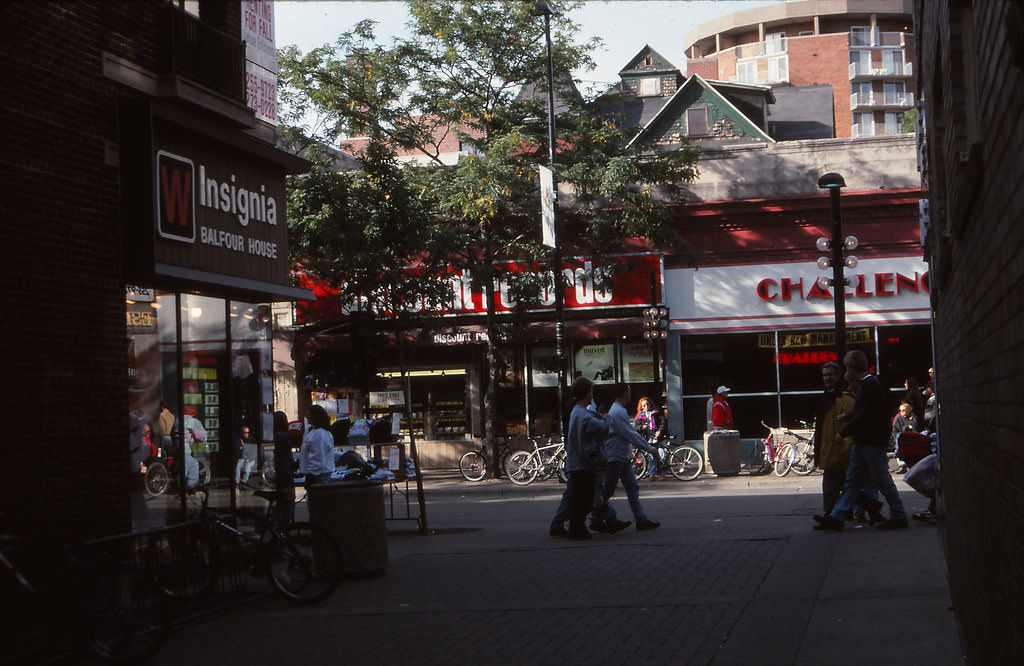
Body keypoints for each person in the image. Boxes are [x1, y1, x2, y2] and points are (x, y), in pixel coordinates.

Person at [814, 350, 909, 531]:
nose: (846, 370)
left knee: (880, 478)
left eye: (847, 367)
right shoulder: (867, 384)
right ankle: (837, 516)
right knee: (853, 480)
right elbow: (866, 412)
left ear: (852, 367)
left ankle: (899, 514)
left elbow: (865, 415)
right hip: (865, 440)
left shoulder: (869, 385)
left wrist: (844, 431)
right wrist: (850, 417)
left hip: (870, 441)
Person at [592, 384, 660, 532]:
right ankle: (596, 517)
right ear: (624, 393)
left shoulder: (617, 410)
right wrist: (649, 448)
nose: (630, 395)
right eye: (629, 392)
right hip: (615, 457)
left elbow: (629, 434)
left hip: (621, 456)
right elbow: (630, 434)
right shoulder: (618, 412)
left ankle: (641, 519)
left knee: (631, 487)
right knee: (608, 490)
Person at [559, 376, 610, 540]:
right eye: (591, 391)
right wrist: (607, 418)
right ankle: (576, 527)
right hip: (583, 463)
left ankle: (574, 526)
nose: (592, 394)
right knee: (584, 498)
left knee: (579, 496)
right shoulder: (582, 414)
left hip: (578, 462)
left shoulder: (577, 412)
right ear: (587, 393)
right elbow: (599, 427)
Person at [300, 405, 335, 486]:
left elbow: (318, 456)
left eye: (309, 415)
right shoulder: (312, 432)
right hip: (314, 473)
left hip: (319, 475)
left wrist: (312, 473)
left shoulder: (320, 434)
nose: (307, 417)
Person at [272, 411, 296, 525]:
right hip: (285, 475)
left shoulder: (275, 436)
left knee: (281, 503)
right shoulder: (283, 436)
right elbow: (285, 458)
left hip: (279, 474)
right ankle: (284, 526)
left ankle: (280, 524)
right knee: (288, 502)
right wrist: (290, 473)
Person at [234, 425, 258, 489]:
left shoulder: (252, 440)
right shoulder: (240, 440)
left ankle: (244, 482)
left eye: (248, 432)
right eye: (245, 432)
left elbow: (254, 452)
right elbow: (239, 452)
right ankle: (237, 482)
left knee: (247, 466)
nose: (246, 434)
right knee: (238, 465)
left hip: (251, 458)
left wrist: (250, 458)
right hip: (243, 458)